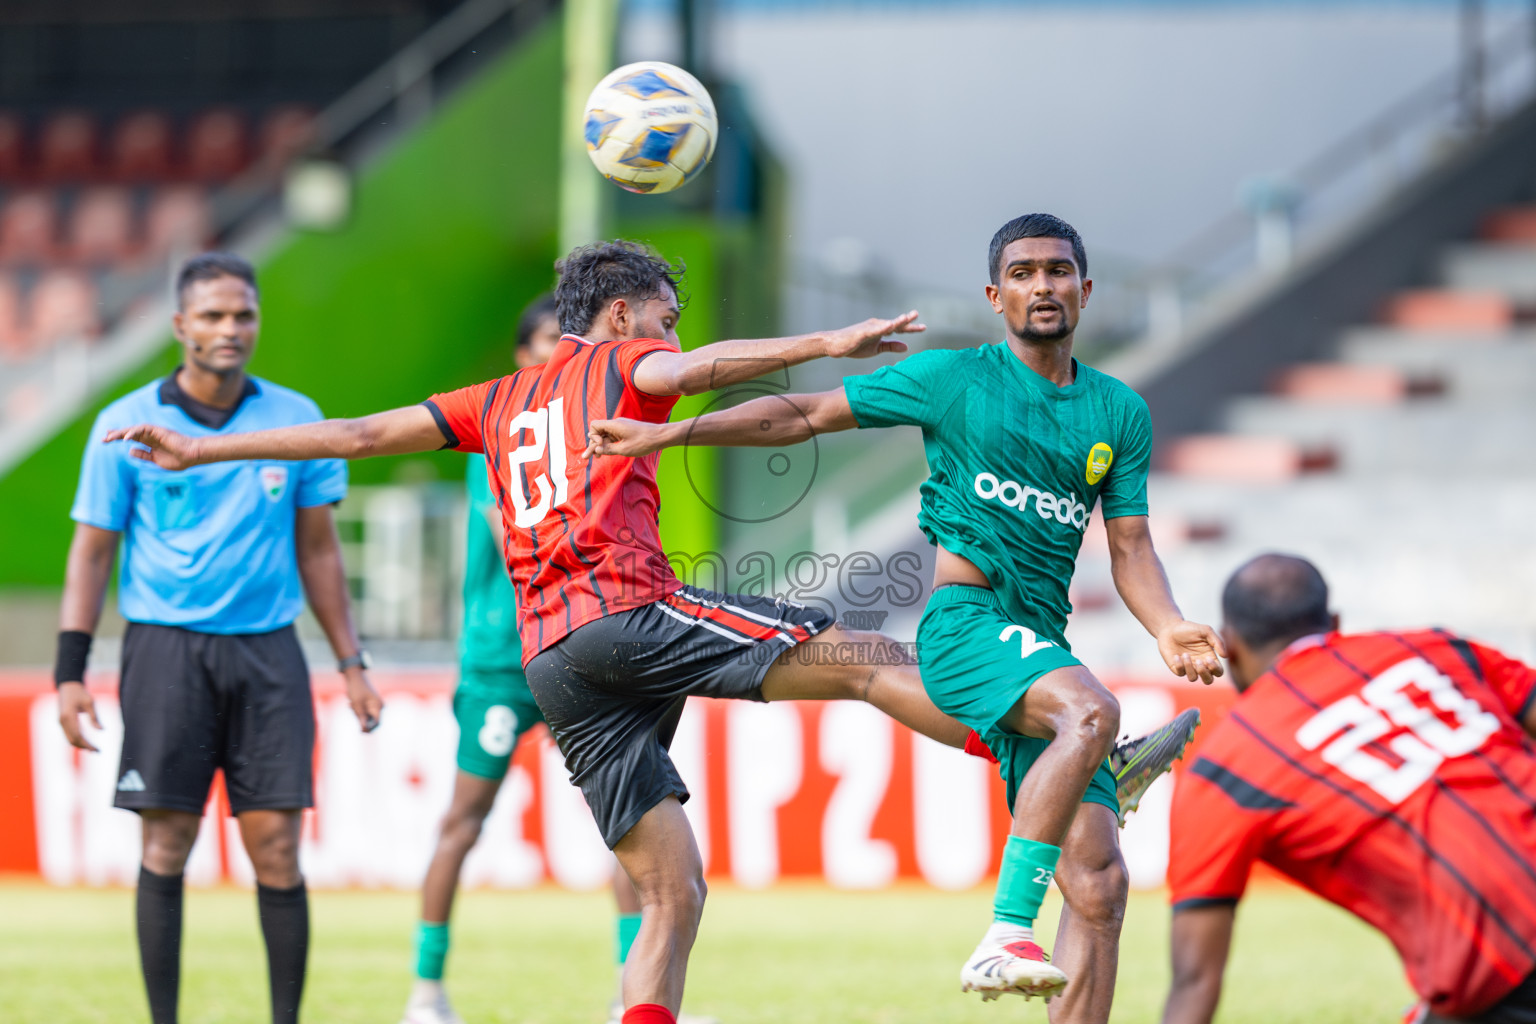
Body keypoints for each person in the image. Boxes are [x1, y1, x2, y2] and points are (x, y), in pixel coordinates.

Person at [103, 239, 1198, 1024]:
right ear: (622, 315)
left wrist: (204, 453)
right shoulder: (621, 362)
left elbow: (358, 431)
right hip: (628, 611)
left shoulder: (497, 398)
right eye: (663, 312)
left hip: (555, 663)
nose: (670, 330)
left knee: (673, 888)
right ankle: (1033, 751)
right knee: (867, 659)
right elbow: (700, 368)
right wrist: (831, 338)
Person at [583, 215, 1221, 1021]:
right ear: (996, 296)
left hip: (1037, 644)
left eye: (1058, 272)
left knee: (1099, 883)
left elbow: (1129, 547)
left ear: (1086, 291)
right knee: (1092, 710)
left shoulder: (1119, 411)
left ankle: (1089, 776)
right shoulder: (951, 378)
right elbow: (806, 416)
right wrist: (668, 432)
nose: (1042, 286)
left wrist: (1166, 625)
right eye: (1022, 274)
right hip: (967, 624)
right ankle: (1006, 929)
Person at [55, 252, 383, 1024]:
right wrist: (70, 670)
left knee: (276, 850)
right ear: (180, 326)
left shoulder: (297, 418)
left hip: (268, 652)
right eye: (212, 315)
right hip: (165, 651)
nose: (230, 329)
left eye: (242, 314)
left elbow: (320, 550)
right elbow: (92, 551)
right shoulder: (123, 424)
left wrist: (352, 661)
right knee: (166, 847)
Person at [399, 296, 714, 1024]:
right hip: (504, 665)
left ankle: (627, 992)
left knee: (638, 823)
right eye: (542, 345)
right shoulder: (504, 436)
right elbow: (524, 529)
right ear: (520, 357)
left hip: (588, 647)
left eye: (561, 346)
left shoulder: (599, 421)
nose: (556, 361)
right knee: (464, 820)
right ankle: (425, 991)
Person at [1160, 554, 1536, 1024]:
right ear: (1334, 622)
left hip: (1506, 963)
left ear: (1228, 645)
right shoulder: (1435, 648)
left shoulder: (1224, 772)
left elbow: (1194, 982)